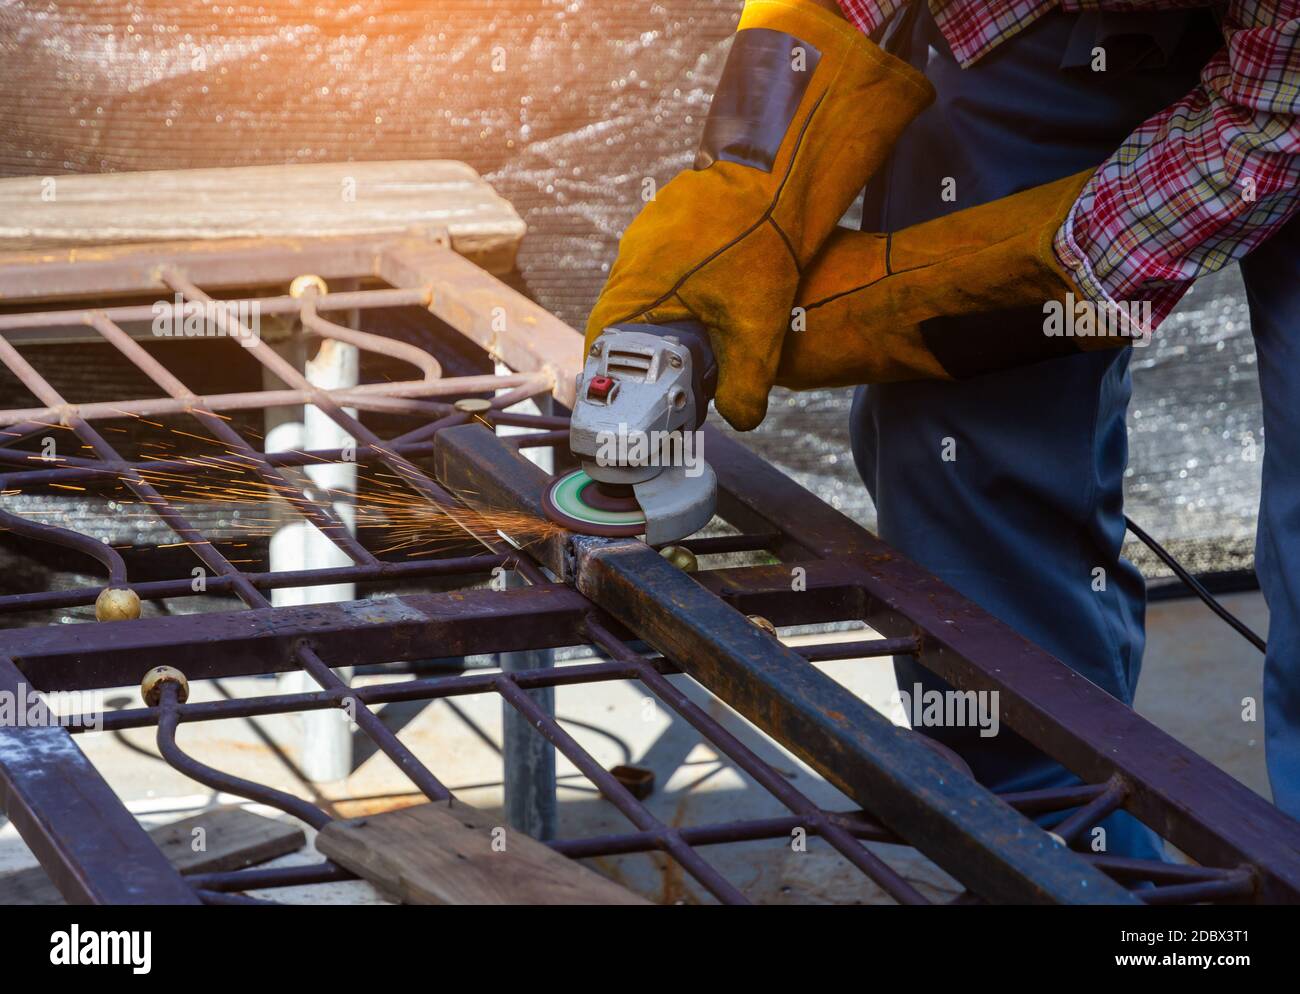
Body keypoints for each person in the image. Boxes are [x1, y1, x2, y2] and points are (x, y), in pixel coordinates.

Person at [587, 0, 1300, 859]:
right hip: (1024, 19)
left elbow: (1266, 130)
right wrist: (742, 194)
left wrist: (915, 301)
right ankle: (1055, 848)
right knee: (961, 444)